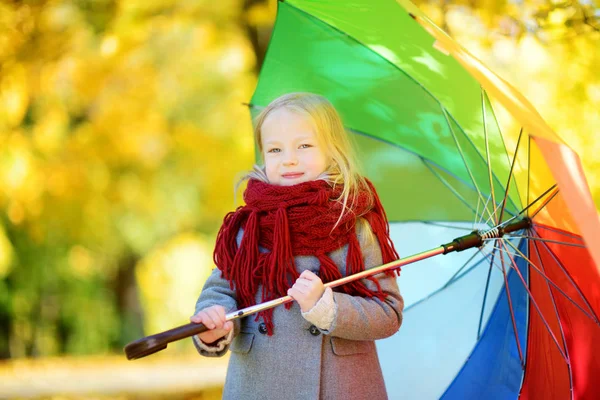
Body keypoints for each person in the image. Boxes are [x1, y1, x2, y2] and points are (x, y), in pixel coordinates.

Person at [190, 92, 404, 400]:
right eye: (275, 149)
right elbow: (221, 290)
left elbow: (388, 313)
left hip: (339, 387)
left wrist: (327, 307)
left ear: (332, 150)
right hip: (260, 385)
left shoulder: (354, 224)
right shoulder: (247, 227)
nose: (289, 158)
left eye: (304, 145)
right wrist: (213, 324)